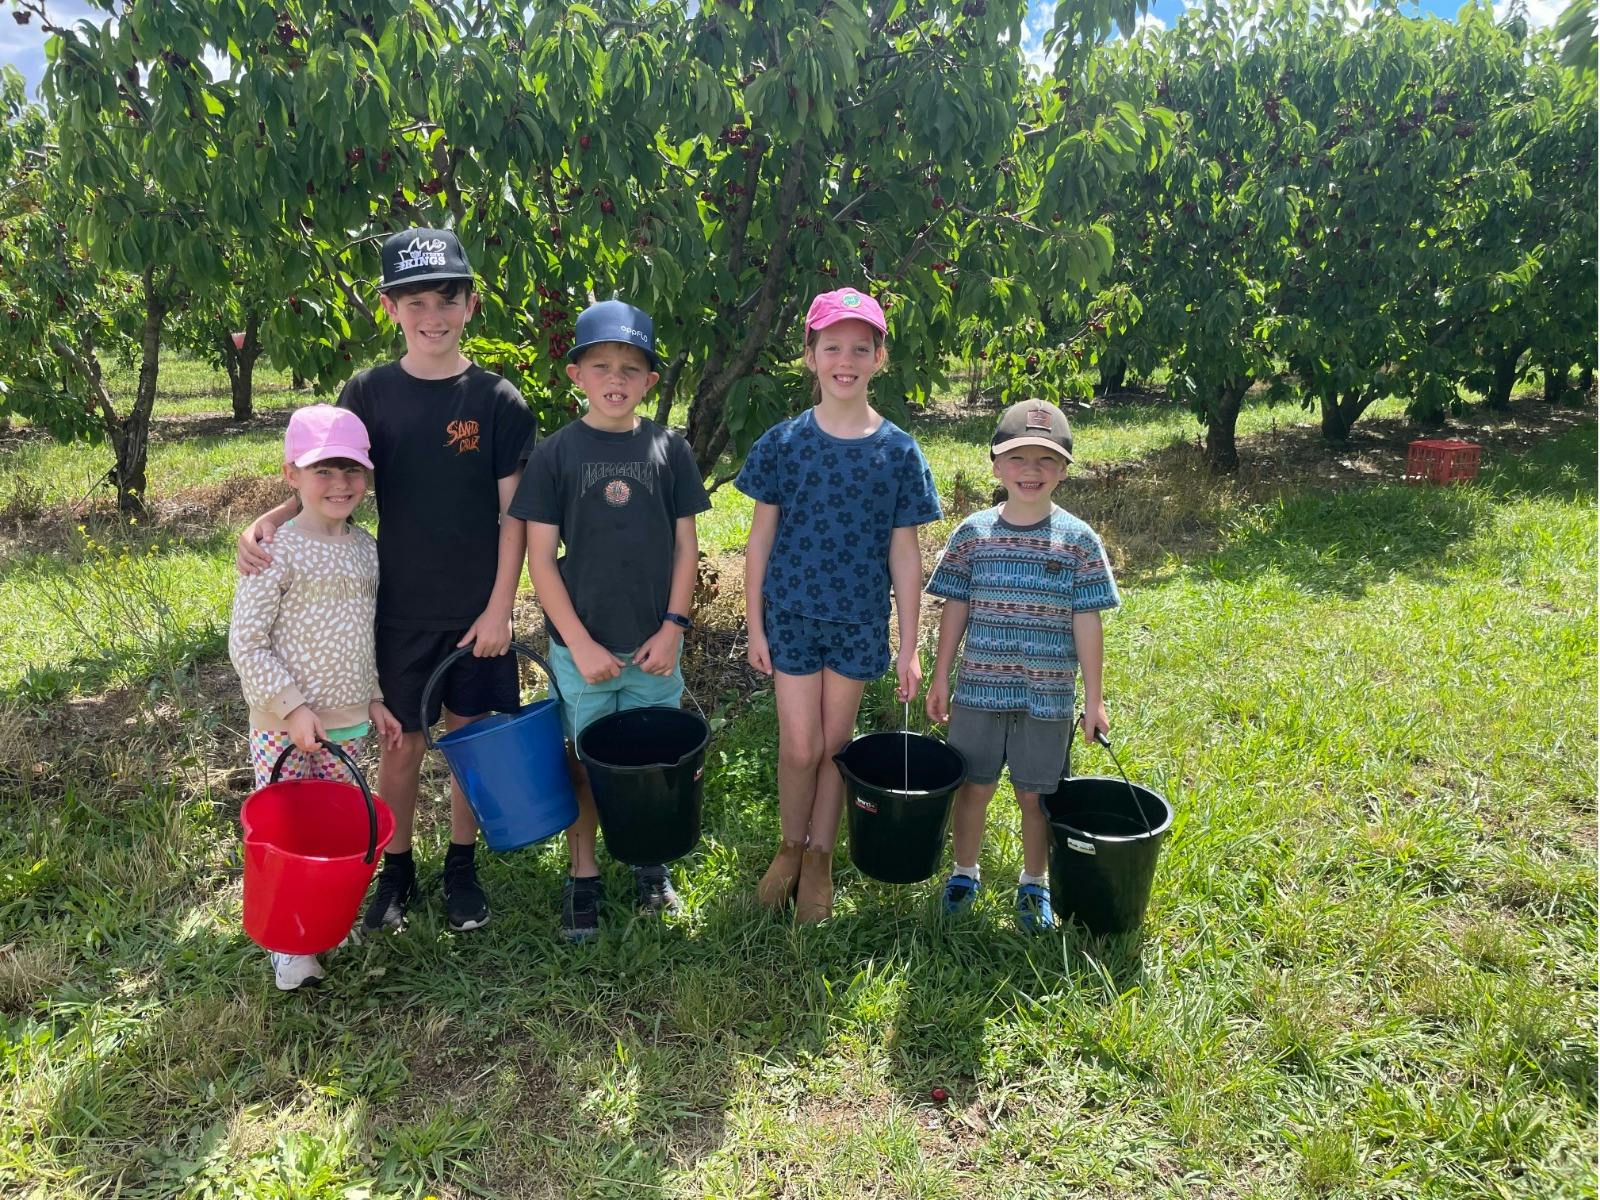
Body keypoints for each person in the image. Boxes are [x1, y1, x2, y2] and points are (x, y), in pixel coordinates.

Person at [236, 227, 536, 935]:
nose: (432, 314)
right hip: (395, 610)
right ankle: (395, 864)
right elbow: (329, 470)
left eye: (447, 299)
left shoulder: (497, 400)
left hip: (474, 611)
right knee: (402, 745)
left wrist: (501, 608)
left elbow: (515, 516)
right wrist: (272, 519)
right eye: (415, 301)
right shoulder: (368, 392)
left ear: (472, 303)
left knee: (468, 741)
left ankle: (461, 864)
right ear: (389, 308)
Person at [736, 287, 943, 923]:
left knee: (834, 743)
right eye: (832, 347)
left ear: (880, 357)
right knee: (798, 746)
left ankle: (822, 852)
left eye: (860, 347)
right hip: (791, 617)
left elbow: (904, 555)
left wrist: (909, 644)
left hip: (856, 622)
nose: (845, 360)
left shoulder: (899, 452)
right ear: (810, 355)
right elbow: (760, 539)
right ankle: (790, 843)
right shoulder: (783, 443)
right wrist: (754, 625)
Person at [509, 300, 711, 942]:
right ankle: (584, 873)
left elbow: (687, 546)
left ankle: (648, 864)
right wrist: (578, 643)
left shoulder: (668, 449)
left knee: (651, 757)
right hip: (583, 649)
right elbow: (540, 561)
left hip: (654, 645)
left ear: (651, 380)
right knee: (586, 760)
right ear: (576, 374)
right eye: (601, 365)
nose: (615, 378)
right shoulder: (556, 455)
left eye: (630, 367)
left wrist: (674, 626)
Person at [924, 398, 1119, 932]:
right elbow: (955, 606)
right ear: (995, 465)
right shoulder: (973, 534)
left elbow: (1087, 622)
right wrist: (941, 675)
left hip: (1048, 695)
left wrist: (1095, 699)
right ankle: (964, 873)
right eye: (1018, 458)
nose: (1031, 471)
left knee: (1038, 794)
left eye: (1046, 460)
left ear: (1063, 470)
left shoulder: (1079, 541)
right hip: (978, 690)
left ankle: (1035, 886)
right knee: (973, 786)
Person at [229, 405, 404, 989]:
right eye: (323, 471)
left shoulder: (366, 548)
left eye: (352, 471)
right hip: (285, 724)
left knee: (335, 829)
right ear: (291, 475)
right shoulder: (275, 548)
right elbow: (247, 643)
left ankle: (321, 917)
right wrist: (291, 706)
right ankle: (287, 942)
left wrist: (375, 698)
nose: (340, 484)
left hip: (348, 724)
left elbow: (365, 634)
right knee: (287, 832)